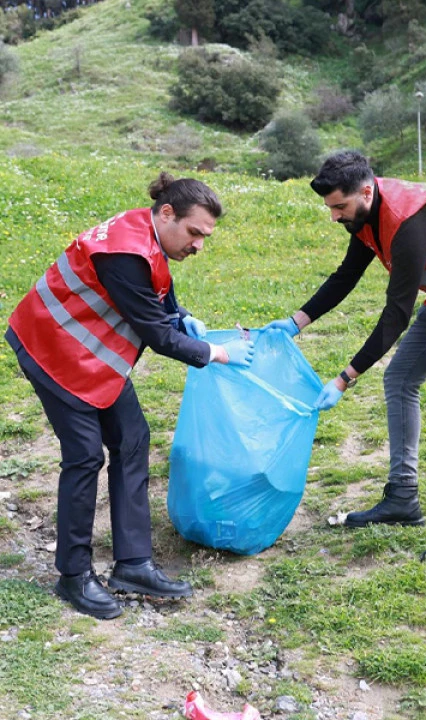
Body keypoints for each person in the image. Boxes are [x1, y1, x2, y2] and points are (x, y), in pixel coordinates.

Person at [5, 173, 255, 620]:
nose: (198, 245)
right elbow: (157, 336)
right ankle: (74, 576)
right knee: (84, 456)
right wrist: (219, 352)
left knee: (133, 439)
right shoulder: (123, 252)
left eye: (205, 237)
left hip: (89, 353)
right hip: (50, 347)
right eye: (195, 233)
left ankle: (133, 564)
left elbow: (158, 288)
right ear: (165, 214)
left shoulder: (148, 234)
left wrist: (182, 315)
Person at [263, 150, 426, 563]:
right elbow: (347, 274)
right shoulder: (366, 214)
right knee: (400, 380)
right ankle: (403, 499)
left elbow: (396, 313)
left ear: (366, 191)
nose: (334, 217)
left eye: (340, 207)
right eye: (330, 208)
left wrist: (345, 377)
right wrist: (296, 321)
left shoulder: (408, 222)